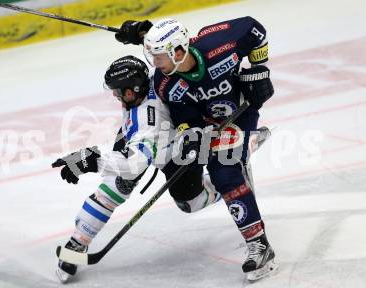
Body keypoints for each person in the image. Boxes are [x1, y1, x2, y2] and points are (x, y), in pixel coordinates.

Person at [114, 17, 277, 281]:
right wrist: (190, 133)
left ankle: (259, 245)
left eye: (158, 56)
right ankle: (245, 148)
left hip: (241, 113)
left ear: (178, 52)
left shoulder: (219, 43)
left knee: (224, 172)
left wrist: (259, 69)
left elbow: (255, 28)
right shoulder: (165, 83)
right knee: (195, 190)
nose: (153, 63)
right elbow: (184, 116)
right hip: (212, 125)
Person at [51, 55, 222, 283]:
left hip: (175, 151)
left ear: (133, 89)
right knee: (114, 186)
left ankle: (230, 180)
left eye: (119, 91)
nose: (115, 95)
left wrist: (92, 160)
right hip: (145, 138)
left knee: (191, 203)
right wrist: (140, 32)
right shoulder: (150, 80)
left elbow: (133, 165)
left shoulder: (146, 120)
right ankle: (77, 242)